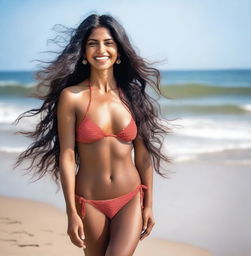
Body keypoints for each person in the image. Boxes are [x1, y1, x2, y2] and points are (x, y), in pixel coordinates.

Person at [15, 14, 172, 256]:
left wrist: (149, 204)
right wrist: (72, 212)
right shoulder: (72, 97)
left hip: (129, 199)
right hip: (89, 202)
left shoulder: (132, 97)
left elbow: (143, 155)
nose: (101, 49)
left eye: (108, 42)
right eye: (92, 43)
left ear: (118, 51)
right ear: (84, 53)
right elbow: (67, 156)